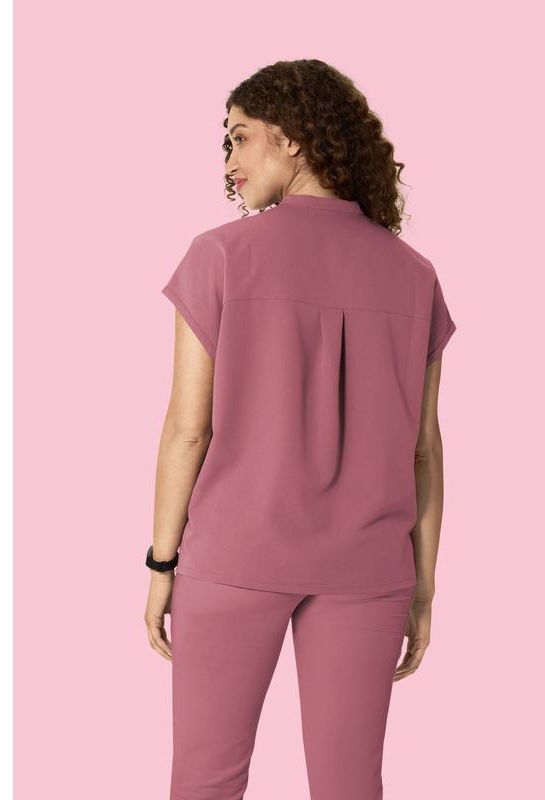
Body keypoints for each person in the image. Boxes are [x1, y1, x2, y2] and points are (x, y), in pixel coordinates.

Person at [144, 59, 458, 800]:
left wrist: (161, 565)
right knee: (350, 787)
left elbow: (188, 430)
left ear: (291, 138)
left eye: (239, 137)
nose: (229, 161)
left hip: (234, 557)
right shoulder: (414, 274)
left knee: (205, 782)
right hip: (370, 568)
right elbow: (423, 449)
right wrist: (423, 586)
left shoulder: (220, 256)